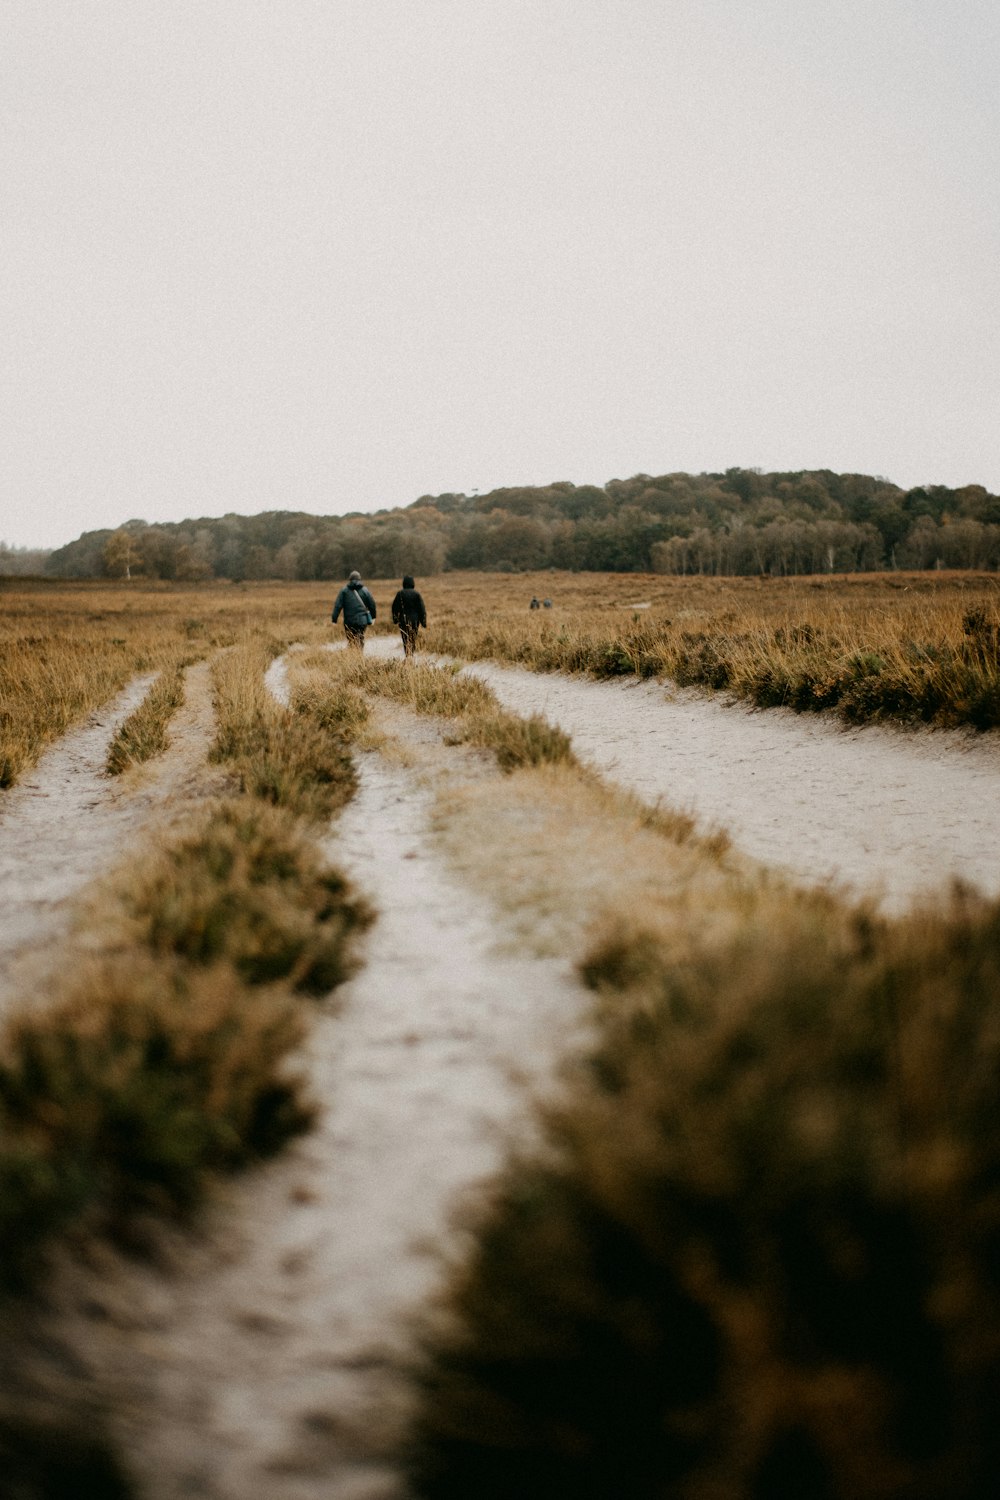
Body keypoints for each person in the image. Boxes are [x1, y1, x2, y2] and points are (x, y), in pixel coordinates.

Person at [332, 570, 377, 649]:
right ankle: (359, 656)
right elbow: (372, 604)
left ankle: (353, 656)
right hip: (362, 621)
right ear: (359, 579)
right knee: (360, 638)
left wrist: (334, 619)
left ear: (350, 579)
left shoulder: (344, 591)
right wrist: (373, 617)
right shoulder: (365, 590)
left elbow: (338, 606)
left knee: (351, 640)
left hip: (349, 621)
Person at [391, 574, 427, 657]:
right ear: (413, 583)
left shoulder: (400, 594)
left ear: (404, 583)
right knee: (412, 638)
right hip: (415, 621)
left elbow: (394, 607)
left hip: (403, 620)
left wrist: (395, 619)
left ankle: (407, 654)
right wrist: (423, 622)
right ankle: (411, 654)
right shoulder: (416, 594)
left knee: (405, 638)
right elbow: (421, 609)